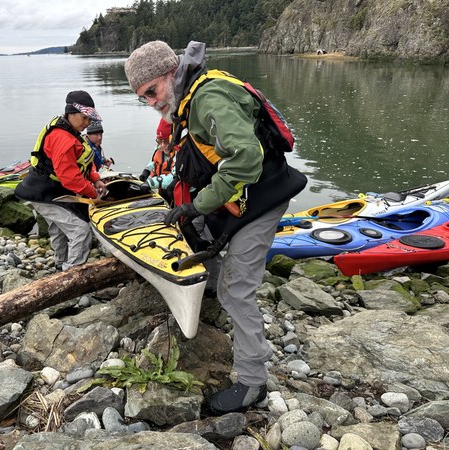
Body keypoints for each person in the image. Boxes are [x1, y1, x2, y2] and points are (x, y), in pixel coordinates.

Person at [124, 41, 307, 415]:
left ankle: (251, 382)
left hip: (264, 198)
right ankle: (209, 289)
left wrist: (198, 204)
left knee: (237, 290)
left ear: (170, 73)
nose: (152, 102)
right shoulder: (189, 96)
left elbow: (246, 160)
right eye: (143, 97)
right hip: (245, 198)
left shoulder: (208, 98)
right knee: (201, 242)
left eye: (152, 92)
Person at [15, 90, 107, 271]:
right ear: (71, 113)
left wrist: (95, 179)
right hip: (44, 191)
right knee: (80, 230)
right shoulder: (62, 138)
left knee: (58, 227)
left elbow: (82, 163)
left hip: (46, 188)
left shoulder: (68, 129)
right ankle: (72, 274)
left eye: (90, 119)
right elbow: (70, 178)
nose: (88, 123)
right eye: (84, 118)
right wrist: (94, 194)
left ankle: (60, 264)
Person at [139, 118, 176, 203]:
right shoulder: (159, 148)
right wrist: (146, 171)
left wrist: (150, 183)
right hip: (161, 189)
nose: (162, 145)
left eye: (166, 141)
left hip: (173, 192)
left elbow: (172, 178)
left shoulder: (180, 154)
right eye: (160, 141)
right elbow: (154, 161)